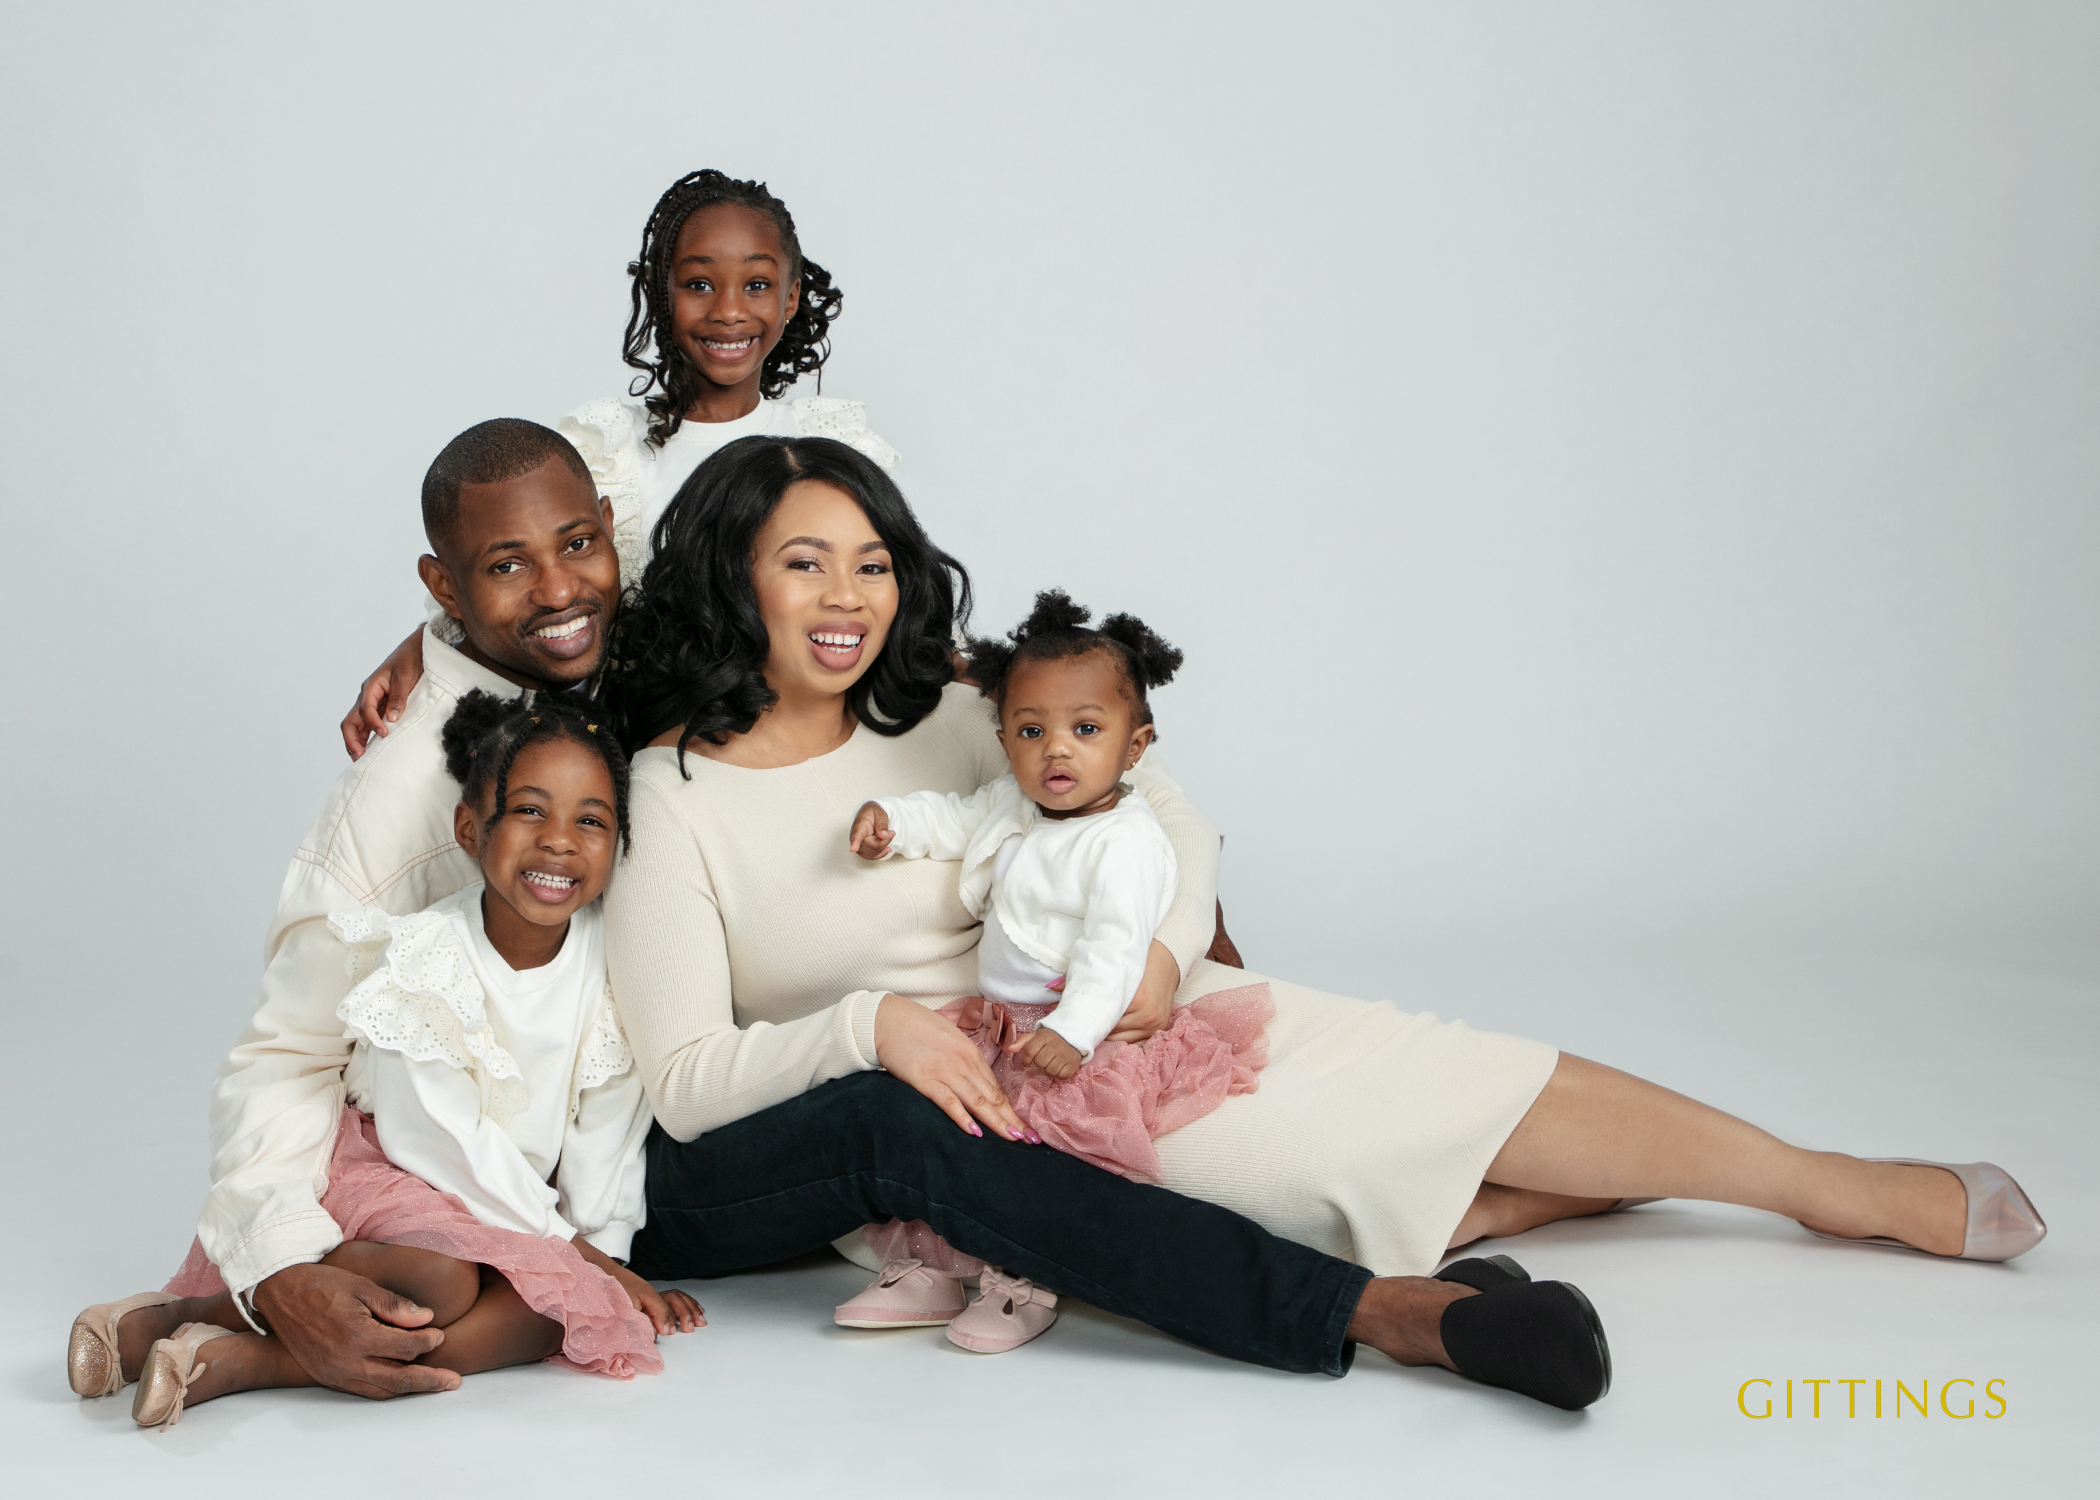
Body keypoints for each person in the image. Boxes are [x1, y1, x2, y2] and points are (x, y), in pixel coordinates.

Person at [85, 415, 1623, 1411]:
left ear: (626, 553)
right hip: (519, 1131)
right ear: (450, 583)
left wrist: (1161, 937)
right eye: (504, 573)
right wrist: (278, 1243)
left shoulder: (639, 654)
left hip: (613, 1133)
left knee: (951, 1126)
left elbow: (1052, 750)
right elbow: (285, 1052)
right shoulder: (408, 781)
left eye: (579, 551)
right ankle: (1392, 1315)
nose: (557, 587)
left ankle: (188, 1333)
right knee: (461, 1250)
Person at [596, 433, 2046, 1397]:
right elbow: (683, 1084)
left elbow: (1168, 815)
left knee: (1404, 1058)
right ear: (733, 579)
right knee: (1301, 1159)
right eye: (803, 563)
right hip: (996, 1105)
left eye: (871, 560)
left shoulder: (958, 707)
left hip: (1127, 1017)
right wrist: (876, 1026)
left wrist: (1164, 955)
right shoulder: (670, 800)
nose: (848, 597)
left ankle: (1825, 1181)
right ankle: (1470, 1270)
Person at [73, 692, 705, 1428]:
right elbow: (438, 1139)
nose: (560, 841)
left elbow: (610, 1126)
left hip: (510, 1210)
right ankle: (191, 1311)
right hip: (396, 1170)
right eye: (531, 811)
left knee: (554, 1316)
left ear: (619, 844)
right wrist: (580, 1257)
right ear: (472, 828)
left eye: (590, 821)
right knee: (442, 1281)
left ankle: (252, 1362)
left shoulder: (611, 957)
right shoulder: (426, 959)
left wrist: (606, 1260)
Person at [838, 592, 1272, 1352]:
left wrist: (1074, 1031)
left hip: (1075, 1032)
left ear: (1135, 748)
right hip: (1002, 1025)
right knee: (955, 1129)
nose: (1057, 751)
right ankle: (934, 1267)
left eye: (1086, 730)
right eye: (1033, 732)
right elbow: (956, 815)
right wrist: (893, 821)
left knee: (1041, 1153)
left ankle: (1025, 1277)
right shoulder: (1015, 802)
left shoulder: (1124, 843)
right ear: (1005, 737)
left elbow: (1114, 948)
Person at [341, 169, 897, 760]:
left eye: (756, 284)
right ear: (661, 292)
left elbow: (888, 586)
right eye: (700, 284)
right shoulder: (608, 449)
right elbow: (502, 583)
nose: (729, 310)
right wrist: (419, 650)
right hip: (645, 754)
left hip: (815, 745)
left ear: (789, 298)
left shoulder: (830, 443)